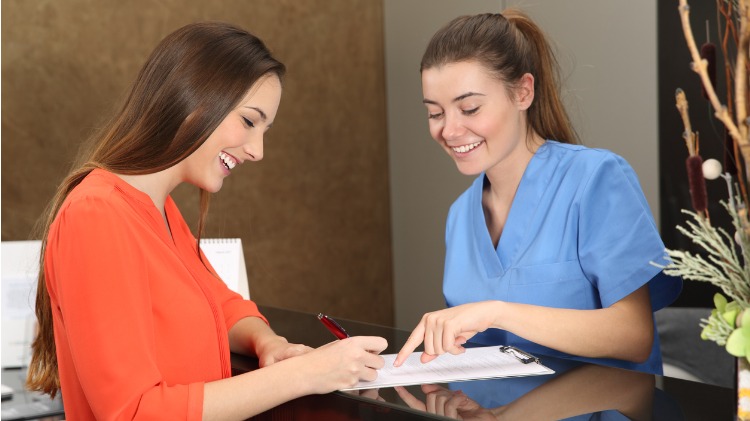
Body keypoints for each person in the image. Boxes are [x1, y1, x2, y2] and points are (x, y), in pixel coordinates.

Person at [26, 22, 387, 420]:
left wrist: (269, 344)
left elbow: (222, 306)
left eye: (265, 130)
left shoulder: (159, 211)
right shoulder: (97, 215)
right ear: (193, 99)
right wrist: (303, 374)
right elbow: (134, 413)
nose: (257, 151)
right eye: (250, 122)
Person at [394, 9, 681, 375]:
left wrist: (497, 312)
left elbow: (634, 335)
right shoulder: (459, 215)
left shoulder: (595, 179)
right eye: (435, 113)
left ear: (523, 92)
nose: (449, 130)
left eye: (469, 108)